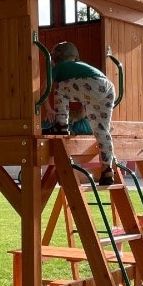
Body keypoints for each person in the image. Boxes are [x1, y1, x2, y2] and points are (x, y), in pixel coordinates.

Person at [43, 42, 119, 186]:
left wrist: (48, 109)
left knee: (59, 87)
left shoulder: (58, 68)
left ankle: (61, 125)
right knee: (102, 131)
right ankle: (107, 170)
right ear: (76, 58)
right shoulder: (81, 69)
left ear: (53, 60)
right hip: (108, 88)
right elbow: (88, 95)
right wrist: (78, 116)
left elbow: (45, 89)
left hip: (93, 85)